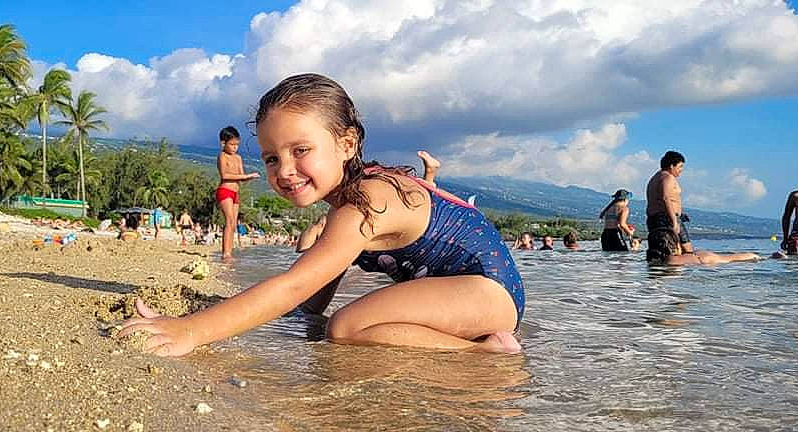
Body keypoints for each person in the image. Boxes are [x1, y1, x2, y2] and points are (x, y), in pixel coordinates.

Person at [119, 73, 524, 356]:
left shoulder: (365, 203)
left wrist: (191, 329)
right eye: (272, 158)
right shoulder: (344, 205)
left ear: (347, 144)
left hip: (487, 290)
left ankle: (484, 352)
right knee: (331, 323)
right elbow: (312, 292)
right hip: (467, 292)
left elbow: (292, 286)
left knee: (346, 328)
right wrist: (274, 316)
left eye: (301, 150)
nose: (284, 170)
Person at [293, 150, 444, 316]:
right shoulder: (384, 208)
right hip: (437, 280)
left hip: (444, 282)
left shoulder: (355, 215)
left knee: (342, 321)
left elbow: (311, 282)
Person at [215, 126, 261, 259]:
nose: (235, 147)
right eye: (232, 144)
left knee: (234, 224)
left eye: (237, 145)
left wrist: (249, 177)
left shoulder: (238, 158)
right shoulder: (222, 156)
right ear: (223, 143)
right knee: (229, 221)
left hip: (235, 192)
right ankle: (226, 254)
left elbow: (241, 177)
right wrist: (246, 176)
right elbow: (224, 175)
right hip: (225, 190)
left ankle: (229, 251)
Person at [646, 151, 693, 254]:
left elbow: (659, 200)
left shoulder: (655, 178)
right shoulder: (668, 177)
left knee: (662, 252)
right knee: (687, 251)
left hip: (655, 218)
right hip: (667, 218)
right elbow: (665, 198)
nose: (681, 170)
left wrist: (680, 214)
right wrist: (674, 221)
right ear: (671, 166)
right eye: (680, 167)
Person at [646, 230, 759, 265]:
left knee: (730, 258)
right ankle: (757, 256)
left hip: (704, 259)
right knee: (730, 258)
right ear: (676, 246)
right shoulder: (672, 259)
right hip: (704, 259)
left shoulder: (665, 260)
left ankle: (756, 256)